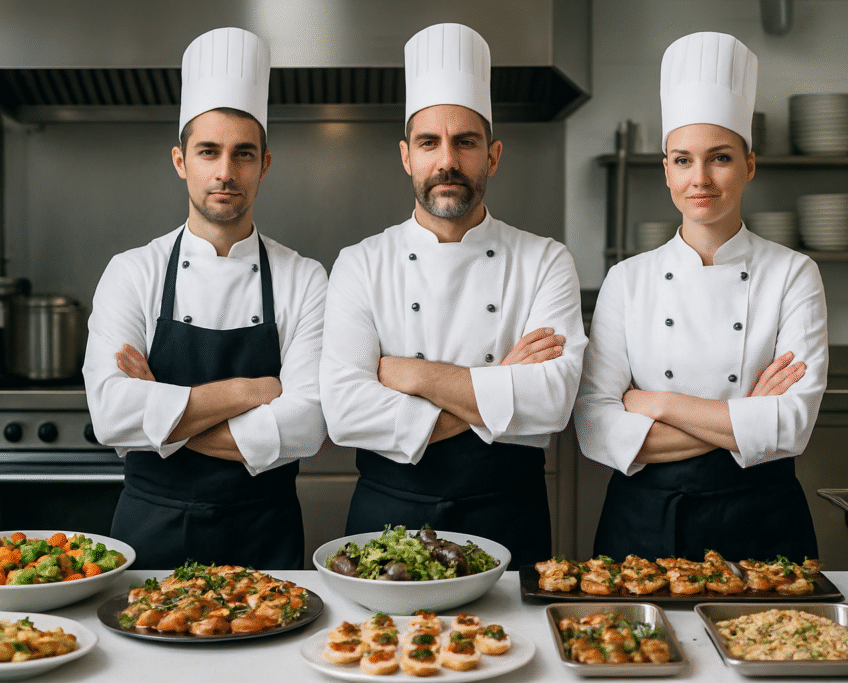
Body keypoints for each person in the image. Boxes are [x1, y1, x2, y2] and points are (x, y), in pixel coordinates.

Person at [319, 23, 585, 569]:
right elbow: (344, 412)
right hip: (388, 521)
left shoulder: (545, 260)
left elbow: (552, 402)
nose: (447, 160)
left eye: (465, 142)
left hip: (509, 516)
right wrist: (500, 387)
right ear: (406, 156)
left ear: (493, 155)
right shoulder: (361, 262)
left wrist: (414, 375)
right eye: (429, 143)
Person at [574, 32, 827, 563]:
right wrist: (747, 417)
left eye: (720, 158)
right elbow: (597, 429)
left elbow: (791, 426)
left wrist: (658, 403)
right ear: (666, 169)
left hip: (763, 523)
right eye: (683, 160)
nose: (701, 179)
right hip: (644, 524)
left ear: (749, 164)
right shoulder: (628, 279)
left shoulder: (793, 274)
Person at [82, 27, 328, 569]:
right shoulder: (132, 272)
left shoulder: (305, 278)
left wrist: (162, 412)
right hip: (152, 536)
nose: (225, 172)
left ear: (264, 164)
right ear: (180, 161)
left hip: (265, 540)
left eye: (243, 154)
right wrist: (252, 389)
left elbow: (307, 425)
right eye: (208, 152)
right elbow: (111, 416)